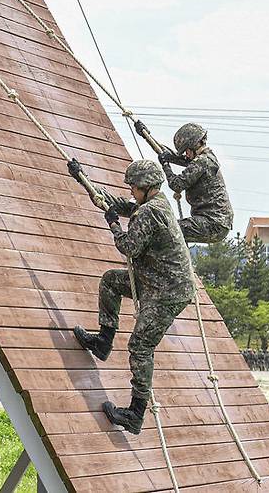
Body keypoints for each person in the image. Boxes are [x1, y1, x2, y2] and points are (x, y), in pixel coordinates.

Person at [67, 158, 194, 435]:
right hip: (154, 280)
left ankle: (136, 413)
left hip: (167, 291)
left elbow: (128, 247)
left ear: (147, 187)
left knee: (140, 346)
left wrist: (113, 224)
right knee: (111, 282)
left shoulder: (152, 212)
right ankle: (104, 341)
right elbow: (119, 203)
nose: (131, 191)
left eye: (134, 186)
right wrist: (84, 180)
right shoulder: (151, 203)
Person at [134, 121, 233, 245]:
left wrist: (165, 165)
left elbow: (176, 185)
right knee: (171, 231)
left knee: (166, 230)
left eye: (186, 151)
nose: (186, 154)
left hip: (212, 223)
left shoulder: (202, 162)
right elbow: (170, 155)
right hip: (217, 223)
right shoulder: (205, 158)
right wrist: (146, 136)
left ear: (193, 145)